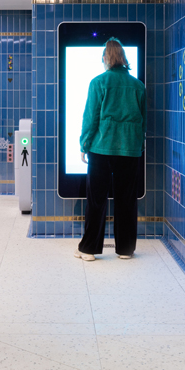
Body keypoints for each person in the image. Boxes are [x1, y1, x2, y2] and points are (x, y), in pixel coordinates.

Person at [75, 38, 146, 261]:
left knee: (96, 199)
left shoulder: (98, 82)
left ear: (106, 58)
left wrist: (84, 144)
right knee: (127, 200)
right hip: (130, 150)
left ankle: (88, 249)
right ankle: (125, 249)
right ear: (123, 57)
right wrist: (139, 145)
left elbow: (91, 118)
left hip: (101, 149)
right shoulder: (138, 86)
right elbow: (143, 121)